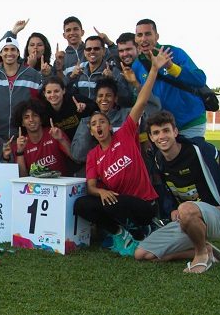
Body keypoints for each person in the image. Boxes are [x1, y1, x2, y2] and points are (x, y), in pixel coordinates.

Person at [73, 47, 171, 257]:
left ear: (110, 127)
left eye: (102, 122)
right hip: (118, 204)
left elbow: (142, 102)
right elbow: (91, 187)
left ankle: (146, 230)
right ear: (91, 131)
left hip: (143, 204)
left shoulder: (125, 133)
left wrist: (153, 70)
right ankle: (120, 234)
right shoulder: (93, 155)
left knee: (113, 202)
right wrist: (101, 191)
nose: (98, 125)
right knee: (82, 205)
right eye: (93, 124)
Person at [133, 111, 220, 273]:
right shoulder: (158, 160)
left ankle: (201, 255)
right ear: (151, 138)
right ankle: (205, 248)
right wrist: (171, 209)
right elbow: (165, 190)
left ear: (175, 132)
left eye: (166, 130)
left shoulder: (198, 150)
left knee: (186, 209)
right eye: (156, 133)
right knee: (142, 254)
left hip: (218, 215)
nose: (162, 136)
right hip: (185, 218)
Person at [131, 18, 208, 138]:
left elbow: (200, 79)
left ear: (156, 36)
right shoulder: (137, 65)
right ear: (135, 39)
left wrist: (171, 66)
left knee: (191, 156)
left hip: (190, 123)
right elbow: (142, 101)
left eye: (148, 34)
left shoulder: (174, 53)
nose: (143, 39)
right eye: (139, 35)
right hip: (163, 128)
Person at [70, 78, 160, 163]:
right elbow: (78, 155)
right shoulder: (87, 122)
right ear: (96, 100)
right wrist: (89, 126)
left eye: (108, 95)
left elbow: (153, 109)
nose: (104, 99)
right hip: (105, 174)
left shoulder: (128, 114)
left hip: (132, 168)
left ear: (115, 98)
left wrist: (136, 84)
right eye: (100, 96)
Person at [12, 99, 73, 177]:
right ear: (22, 123)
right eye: (26, 117)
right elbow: (22, 177)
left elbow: (74, 158)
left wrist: (61, 140)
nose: (31, 120)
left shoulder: (55, 133)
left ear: (41, 119)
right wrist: (20, 152)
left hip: (60, 185)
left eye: (35, 115)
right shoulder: (20, 144)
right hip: (36, 187)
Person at [67, 36, 132, 107]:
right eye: (88, 49)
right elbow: (68, 97)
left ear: (104, 51)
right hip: (85, 117)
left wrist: (112, 80)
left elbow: (127, 99)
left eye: (96, 48)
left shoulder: (113, 71)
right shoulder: (79, 72)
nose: (92, 51)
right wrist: (72, 77)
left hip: (107, 117)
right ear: (85, 52)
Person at [56, 16, 117, 83]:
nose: (72, 33)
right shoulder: (61, 58)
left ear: (82, 32)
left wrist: (109, 43)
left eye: (75, 29)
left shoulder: (95, 50)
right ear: (64, 35)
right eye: (68, 30)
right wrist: (60, 69)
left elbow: (119, 60)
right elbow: (59, 86)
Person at [40, 76, 95, 141]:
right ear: (44, 94)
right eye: (49, 92)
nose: (53, 95)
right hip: (60, 144)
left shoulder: (74, 99)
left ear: (63, 91)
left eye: (56, 91)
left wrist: (85, 106)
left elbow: (96, 106)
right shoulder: (43, 110)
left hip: (81, 141)